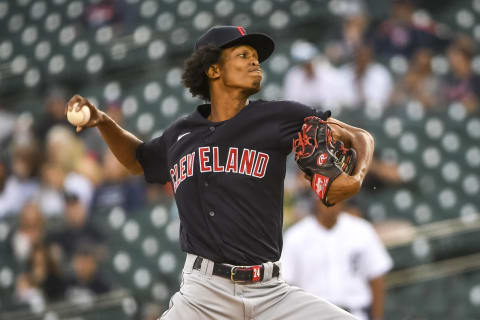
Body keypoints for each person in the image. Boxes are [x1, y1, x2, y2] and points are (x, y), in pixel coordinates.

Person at [66, 25, 375, 319]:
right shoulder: (180, 135)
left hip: (271, 293)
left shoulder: (279, 116)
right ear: (213, 70)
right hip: (204, 296)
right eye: (243, 55)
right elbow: (138, 160)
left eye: (256, 56)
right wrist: (104, 121)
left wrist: (356, 177)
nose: (255, 60)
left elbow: (360, 137)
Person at [281, 200, 393, 320]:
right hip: (313, 315)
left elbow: (377, 278)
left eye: (334, 196)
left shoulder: (361, 230)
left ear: (343, 200)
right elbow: (286, 284)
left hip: (355, 313)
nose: (330, 203)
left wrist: (377, 317)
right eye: (325, 197)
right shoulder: (295, 236)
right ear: (315, 200)